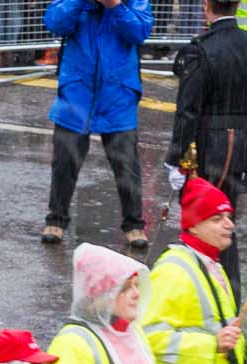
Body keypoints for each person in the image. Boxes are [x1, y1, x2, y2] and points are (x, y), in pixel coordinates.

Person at [142, 177, 247, 364]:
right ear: (193, 225)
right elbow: (149, 339)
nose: (228, 224)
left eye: (229, 217)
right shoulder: (173, 272)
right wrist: (212, 345)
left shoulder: (210, 264)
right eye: (217, 218)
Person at [41, 0, 153, 250]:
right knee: (65, 159)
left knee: (126, 163)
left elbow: (140, 31)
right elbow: (54, 22)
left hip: (118, 90)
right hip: (77, 88)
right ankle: (56, 218)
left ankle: (134, 224)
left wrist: (115, 5)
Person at [165, 0, 247, 222]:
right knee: (224, 218)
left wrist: (176, 158)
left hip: (208, 144)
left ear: (205, 6)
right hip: (240, 140)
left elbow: (188, 111)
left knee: (202, 221)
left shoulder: (200, 49)